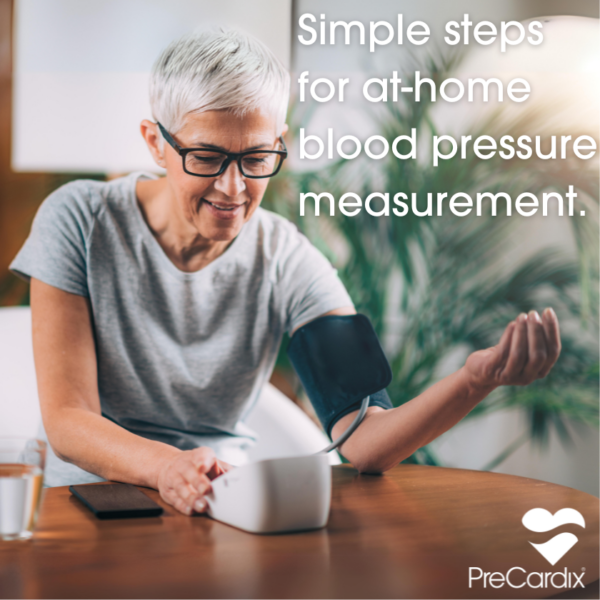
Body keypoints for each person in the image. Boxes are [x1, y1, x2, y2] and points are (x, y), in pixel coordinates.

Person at [10, 29, 561, 517]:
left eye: (255, 160)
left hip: (223, 507)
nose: (232, 189)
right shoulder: (79, 219)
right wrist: (165, 468)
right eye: (206, 157)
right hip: (86, 505)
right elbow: (69, 420)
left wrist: (474, 380)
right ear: (156, 142)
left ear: (280, 148)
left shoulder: (287, 259)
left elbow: (363, 439)